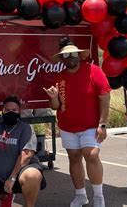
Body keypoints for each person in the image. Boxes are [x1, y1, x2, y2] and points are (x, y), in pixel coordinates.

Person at [43, 38, 111, 207]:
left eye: (73, 54)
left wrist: (102, 124)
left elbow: (105, 98)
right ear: (62, 58)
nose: (70, 57)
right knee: (74, 158)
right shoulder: (58, 78)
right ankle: (81, 195)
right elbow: (55, 106)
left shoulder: (93, 71)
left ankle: (98, 196)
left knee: (92, 155)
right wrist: (52, 98)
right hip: (67, 126)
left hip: (90, 125)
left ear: (79, 55)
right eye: (66, 55)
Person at [0, 95, 47, 207]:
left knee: (32, 175)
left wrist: (12, 178)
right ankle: (5, 196)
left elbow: (26, 155)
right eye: (7, 110)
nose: (10, 112)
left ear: (19, 112)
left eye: (14, 110)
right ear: (2, 111)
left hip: (20, 173)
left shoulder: (25, 128)